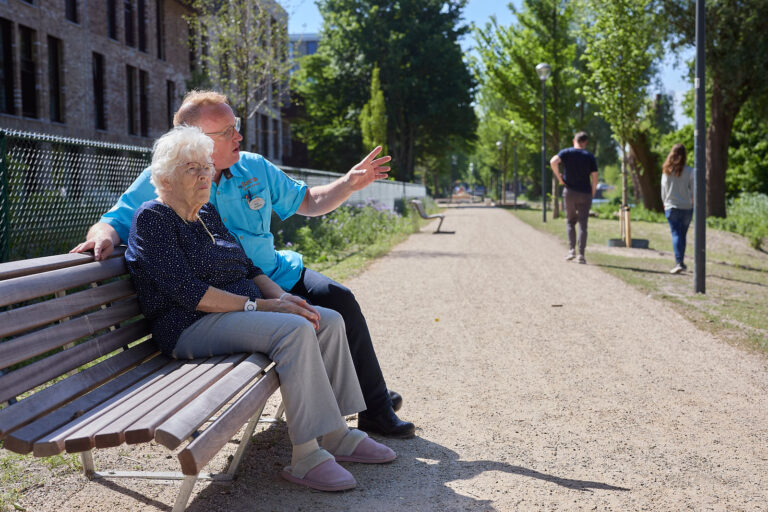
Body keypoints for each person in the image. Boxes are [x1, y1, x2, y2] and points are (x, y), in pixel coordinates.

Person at [72, 90, 414, 438]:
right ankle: (348, 417)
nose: (239, 136)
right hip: (230, 295)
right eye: (227, 131)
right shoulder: (169, 177)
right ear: (196, 141)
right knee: (305, 323)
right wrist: (102, 236)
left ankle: (374, 407)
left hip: (275, 274)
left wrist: (349, 183)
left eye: (235, 127)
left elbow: (307, 202)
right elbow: (114, 221)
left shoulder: (253, 166)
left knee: (338, 300)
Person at [126, 125, 395, 491]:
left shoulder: (206, 214)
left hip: (231, 314)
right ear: (165, 179)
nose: (205, 175)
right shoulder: (153, 218)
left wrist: (283, 299)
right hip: (188, 324)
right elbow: (189, 292)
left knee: (323, 318)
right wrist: (261, 305)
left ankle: (337, 434)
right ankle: (306, 456)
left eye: (206, 166)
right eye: (192, 169)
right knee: (294, 329)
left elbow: (247, 267)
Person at [550, 131, 598, 264]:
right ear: (585, 143)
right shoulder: (590, 156)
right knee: (583, 224)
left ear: (574, 141)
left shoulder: (566, 152)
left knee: (571, 221)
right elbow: (595, 178)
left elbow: (553, 161)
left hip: (569, 192)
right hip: (585, 193)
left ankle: (572, 250)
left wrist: (559, 177)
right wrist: (592, 194)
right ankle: (581, 255)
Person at [661, 143, 694, 274]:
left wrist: (664, 202)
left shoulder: (666, 171)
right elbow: (693, 190)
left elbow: (663, 189)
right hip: (686, 207)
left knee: (676, 234)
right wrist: (692, 202)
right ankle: (680, 261)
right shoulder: (691, 171)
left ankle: (679, 262)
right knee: (682, 235)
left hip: (671, 206)